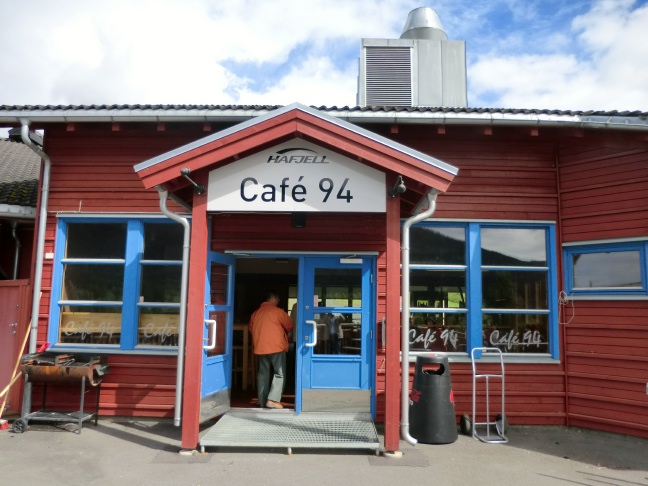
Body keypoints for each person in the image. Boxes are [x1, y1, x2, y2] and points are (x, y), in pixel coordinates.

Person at [248, 290, 294, 409]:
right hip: (276, 346)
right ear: (273, 298)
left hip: (260, 347)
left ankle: (262, 400)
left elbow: (251, 328)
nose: (278, 301)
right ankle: (273, 400)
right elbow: (289, 325)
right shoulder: (278, 312)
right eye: (277, 299)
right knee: (279, 373)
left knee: (263, 373)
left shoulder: (255, 313)